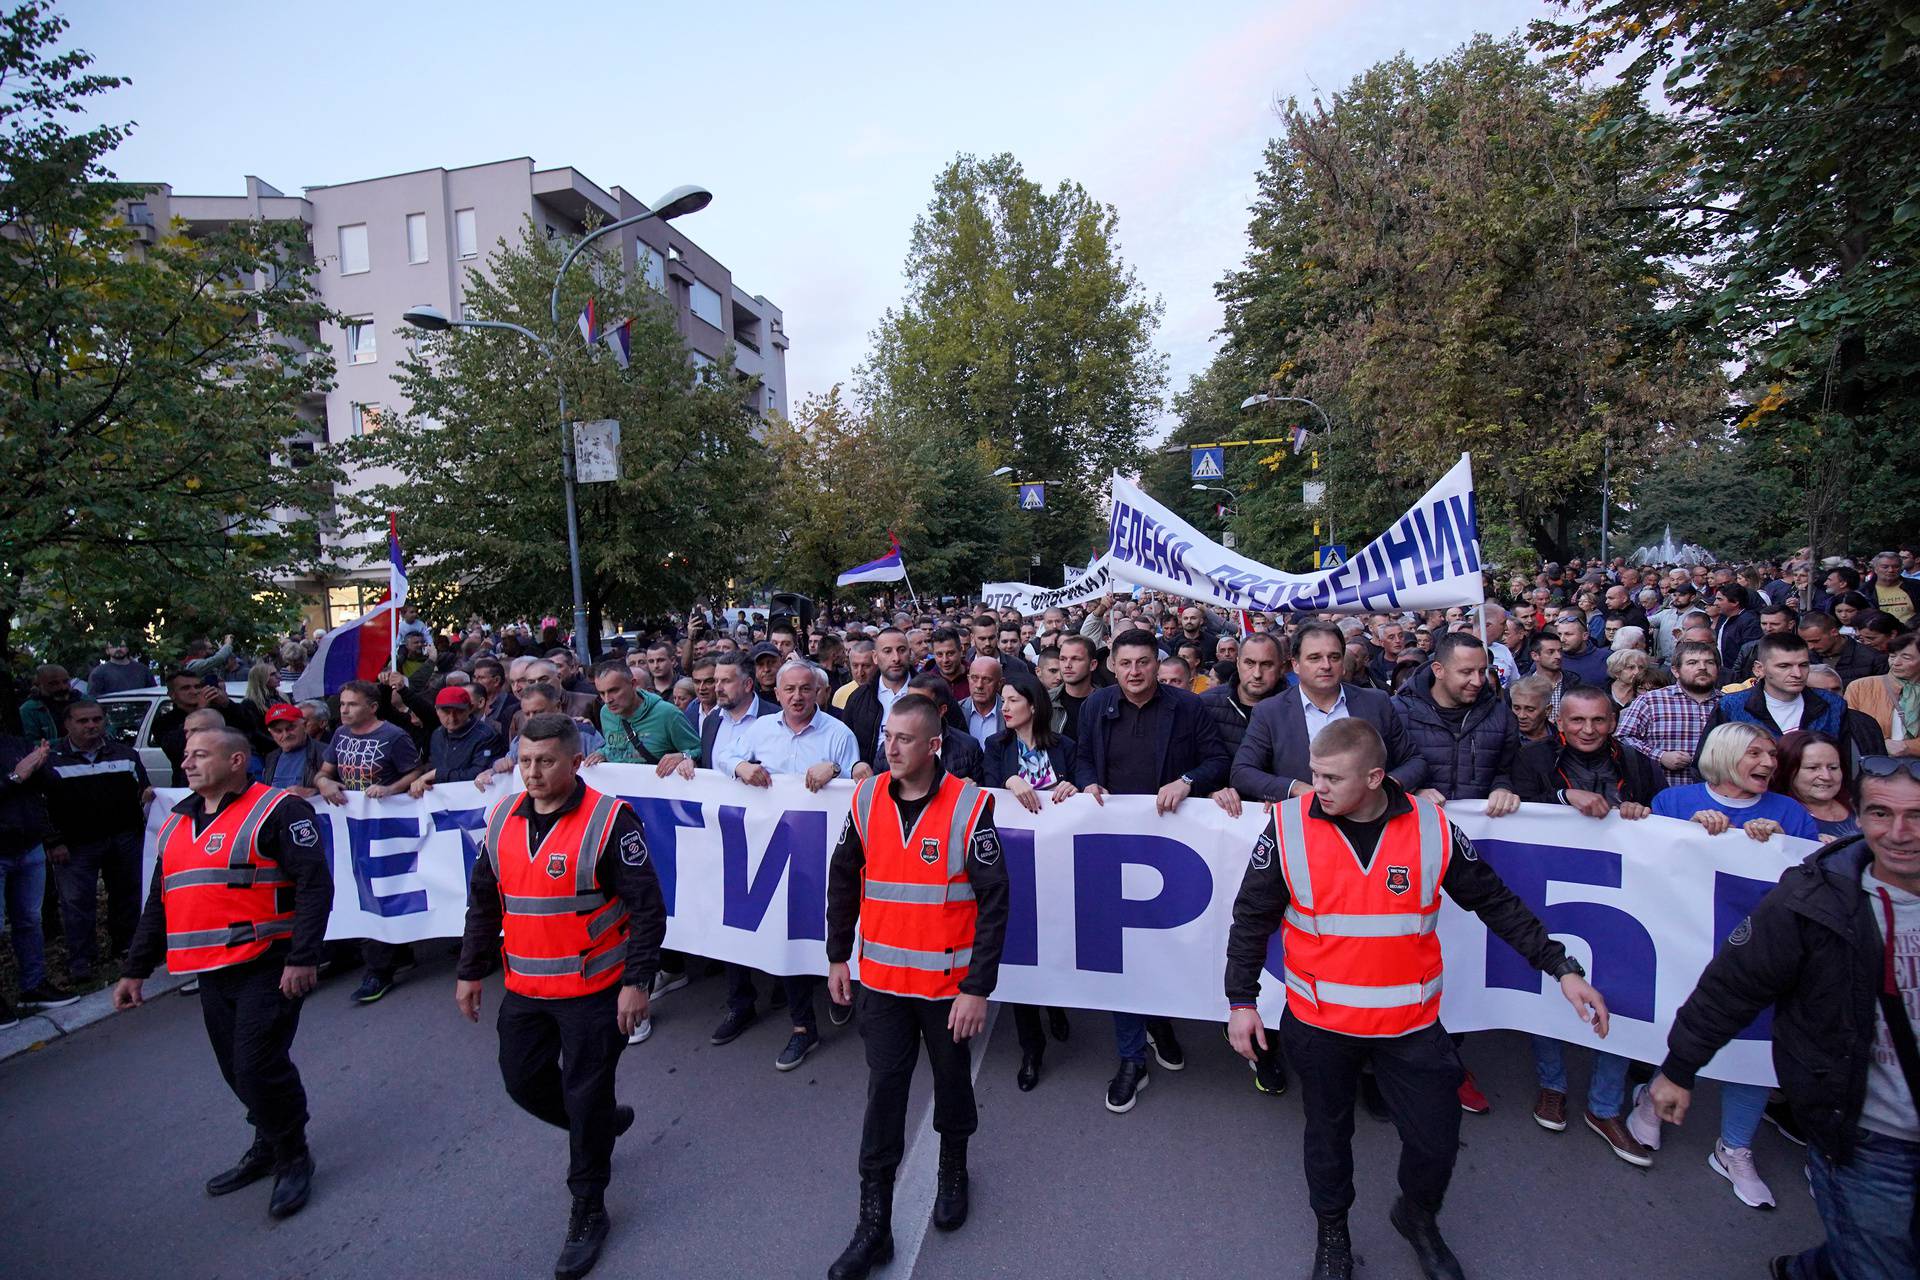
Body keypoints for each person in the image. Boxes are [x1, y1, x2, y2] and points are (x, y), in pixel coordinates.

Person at [1225, 717, 1611, 1280]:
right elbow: (1251, 918)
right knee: (1328, 1136)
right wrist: (1241, 1001)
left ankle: (1417, 1216)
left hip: (1409, 1025)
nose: (1317, 788)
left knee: (1436, 1143)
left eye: (1331, 777)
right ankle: (1333, 1231)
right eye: (1314, 774)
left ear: (1376, 777)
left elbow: (1495, 901)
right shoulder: (1286, 827)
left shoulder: (1432, 828)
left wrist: (1561, 967)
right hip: (1320, 1022)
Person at [1645, 755, 1919, 1280]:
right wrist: (1679, 1068)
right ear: (1857, 818)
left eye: (1917, 816)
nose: (1900, 833)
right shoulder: (1812, 896)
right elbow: (1735, 984)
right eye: (1882, 814)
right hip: (1867, 1131)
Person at [455, 714, 665, 1280]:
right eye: (525, 761)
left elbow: (647, 908)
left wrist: (635, 982)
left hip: (596, 989)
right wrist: (470, 971)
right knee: (523, 1081)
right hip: (526, 987)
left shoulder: (611, 822)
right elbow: (484, 902)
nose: (533, 772)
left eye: (545, 761)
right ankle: (597, 1121)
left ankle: (588, 1208)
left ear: (574, 762)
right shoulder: (500, 817)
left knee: (587, 1090)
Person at [823, 694, 1010, 1280]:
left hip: (947, 989)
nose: (891, 748)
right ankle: (872, 1223)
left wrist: (978, 988)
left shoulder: (968, 805)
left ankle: (953, 1169)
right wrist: (836, 957)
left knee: (953, 1086)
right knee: (884, 1096)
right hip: (881, 984)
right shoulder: (866, 798)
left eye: (905, 739)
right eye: (887, 736)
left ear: (934, 745)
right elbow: (842, 878)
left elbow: (995, 901)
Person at [114, 727, 332, 1220]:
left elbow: (315, 885)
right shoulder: (174, 824)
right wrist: (135, 969)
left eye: (200, 755)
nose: (188, 763)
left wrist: (303, 956)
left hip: (267, 963)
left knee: (258, 1065)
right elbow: (160, 902)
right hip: (209, 970)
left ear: (237, 760)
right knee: (236, 1070)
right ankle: (269, 1140)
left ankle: (294, 1156)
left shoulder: (277, 810)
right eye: (186, 755)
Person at [1631, 722, 1817, 1209]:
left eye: (1771, 755)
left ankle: (1734, 1146)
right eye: (1754, 753)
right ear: (1725, 755)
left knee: (1756, 1045)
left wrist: (1778, 844)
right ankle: (1652, 1098)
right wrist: (1688, 835)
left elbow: (1814, 880)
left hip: (1762, 957)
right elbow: (1644, 866)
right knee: (1673, 1020)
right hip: (1684, 942)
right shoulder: (1675, 802)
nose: (1768, 763)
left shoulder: (1791, 814)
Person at [1078, 628, 1238, 1113]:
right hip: (1113, 848)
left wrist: (1187, 781)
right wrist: (1086, 785)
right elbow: (1084, 758)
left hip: (1173, 847)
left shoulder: (1188, 707)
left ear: (1156, 662)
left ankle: (1161, 1020)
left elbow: (1217, 760)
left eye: (1143, 662)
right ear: (1111, 663)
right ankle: (1131, 1058)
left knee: (1166, 945)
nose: (1134, 672)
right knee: (1124, 953)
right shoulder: (1095, 707)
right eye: (1125, 663)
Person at [1508, 687, 1664, 1163]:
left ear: (1613, 721)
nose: (1588, 730)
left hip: (1623, 896)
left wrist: (1645, 814)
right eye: (1577, 721)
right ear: (1561, 722)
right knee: (1552, 986)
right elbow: (1518, 802)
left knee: (1621, 994)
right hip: (1554, 893)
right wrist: (1562, 795)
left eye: (1598, 720)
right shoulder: (1532, 758)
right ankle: (1552, 1085)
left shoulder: (1638, 764)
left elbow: (1666, 821)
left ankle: (1604, 1105)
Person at [717, 660, 861, 1067]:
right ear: (776, 695)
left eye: (805, 689)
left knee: (835, 925)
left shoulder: (839, 733)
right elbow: (724, 758)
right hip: (774, 854)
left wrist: (834, 768)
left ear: (818, 692)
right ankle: (803, 1027)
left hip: (830, 853)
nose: (797, 697)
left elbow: (858, 776)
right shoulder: (758, 731)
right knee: (790, 933)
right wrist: (741, 766)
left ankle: (842, 991)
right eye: (789, 690)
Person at [983, 671, 1089, 1091]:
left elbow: (1084, 786)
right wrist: (1006, 781)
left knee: (1057, 943)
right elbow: (984, 790)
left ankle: (1056, 1004)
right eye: (1001, 701)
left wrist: (1073, 786)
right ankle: (1032, 1048)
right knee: (1021, 952)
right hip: (1012, 870)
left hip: (1059, 867)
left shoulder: (1065, 747)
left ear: (1033, 704)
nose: (1004, 707)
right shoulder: (995, 747)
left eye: (1011, 700)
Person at [315, 680, 423, 1004]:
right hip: (353, 828)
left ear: (372, 707)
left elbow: (415, 772)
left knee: (379, 892)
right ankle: (397, 953)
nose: (344, 710)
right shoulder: (340, 735)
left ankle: (379, 970)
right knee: (362, 889)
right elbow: (324, 772)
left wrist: (391, 790)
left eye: (351, 704)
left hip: (387, 828)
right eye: (343, 705)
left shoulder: (393, 736)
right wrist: (324, 784)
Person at [1233, 621, 1419, 803]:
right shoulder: (1271, 711)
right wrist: (1294, 788)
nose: (1326, 665)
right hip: (1304, 821)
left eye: (1334, 657)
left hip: (1372, 819)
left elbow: (1414, 761)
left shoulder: (1376, 702)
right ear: (1295, 664)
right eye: (1315, 658)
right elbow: (1242, 772)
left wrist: (1387, 786)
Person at [42, 699, 154, 985]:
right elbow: (40, 804)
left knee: (127, 894)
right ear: (67, 724)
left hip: (123, 838)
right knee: (77, 902)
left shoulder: (125, 754)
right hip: (75, 845)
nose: (91, 725)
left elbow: (144, 792)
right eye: (83, 721)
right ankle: (82, 960)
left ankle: (127, 945)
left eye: (96, 719)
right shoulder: (51, 759)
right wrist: (53, 841)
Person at [1699, 633, 1885, 775]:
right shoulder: (1732, 706)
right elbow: (1708, 762)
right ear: (1759, 669)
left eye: (1803, 665)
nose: (1797, 673)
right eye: (1784, 666)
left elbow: (1846, 760)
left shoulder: (1832, 705)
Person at [1, 733, 77, 1015]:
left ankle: (33, 987)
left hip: (28, 845)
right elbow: (16, 779)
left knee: (30, 920)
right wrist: (16, 776)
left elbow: (52, 783)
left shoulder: (14, 742)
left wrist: (40, 764)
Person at [1617, 639, 1721, 788]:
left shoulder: (1728, 703)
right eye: (1692, 663)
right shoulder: (1651, 701)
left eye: (1709, 662)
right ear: (1675, 671)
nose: (1702, 667)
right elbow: (1622, 739)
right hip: (1663, 794)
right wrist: (1660, 756)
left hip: (1717, 797)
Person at [586, 661, 701, 770]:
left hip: (659, 788)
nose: (607, 699)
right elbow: (616, 746)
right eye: (602, 693)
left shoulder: (668, 714)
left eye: (614, 691)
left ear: (633, 684)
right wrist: (603, 752)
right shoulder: (605, 713)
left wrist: (684, 756)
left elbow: (699, 750)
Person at [409, 686, 505, 796]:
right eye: (446, 712)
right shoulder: (437, 734)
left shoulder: (486, 736)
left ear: (470, 708)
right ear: (436, 710)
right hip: (444, 802)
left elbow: (480, 773)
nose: (452, 718)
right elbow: (434, 765)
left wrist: (437, 774)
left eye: (459, 712)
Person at [1772, 729, 1859, 841]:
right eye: (1813, 768)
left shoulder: (1860, 806)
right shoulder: (1777, 816)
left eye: (1833, 768)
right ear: (1787, 770)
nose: (1826, 776)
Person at [1845, 630, 1920, 757]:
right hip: (1874, 764)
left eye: (1906, 658)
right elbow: (1849, 730)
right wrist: (1881, 744)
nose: (1896, 663)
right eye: (1892, 656)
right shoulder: (1859, 687)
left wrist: (1908, 748)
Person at [1799, 610, 1887, 686]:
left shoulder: (1873, 658)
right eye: (1805, 642)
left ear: (1834, 632)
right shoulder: (1803, 658)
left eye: (1815, 641)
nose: (1810, 647)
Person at [262, 703, 326, 797]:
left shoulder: (325, 753)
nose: (285, 735)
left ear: (304, 725)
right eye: (278, 731)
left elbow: (345, 791)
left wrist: (312, 793)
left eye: (290, 728)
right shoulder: (271, 758)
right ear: (271, 732)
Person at [87, 640, 155, 696]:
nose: (118, 649)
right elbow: (93, 699)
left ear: (127, 649)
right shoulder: (98, 673)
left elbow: (153, 693)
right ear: (107, 651)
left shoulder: (143, 670)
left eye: (122, 646)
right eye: (114, 646)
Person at [963, 655, 1004, 746]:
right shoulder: (957, 711)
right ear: (968, 679)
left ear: (1000, 683)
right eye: (974, 678)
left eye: (986, 679)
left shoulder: (1009, 712)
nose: (979, 685)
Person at [1507, 673, 1555, 745]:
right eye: (1516, 708)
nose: (1521, 716)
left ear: (1548, 710)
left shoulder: (1562, 738)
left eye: (1530, 710)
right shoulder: (1501, 741)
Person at [1605, 648, 1649, 713]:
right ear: (1616, 672)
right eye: (1631, 667)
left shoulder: (1646, 694)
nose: (1637, 672)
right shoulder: (1602, 693)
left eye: (1641, 667)